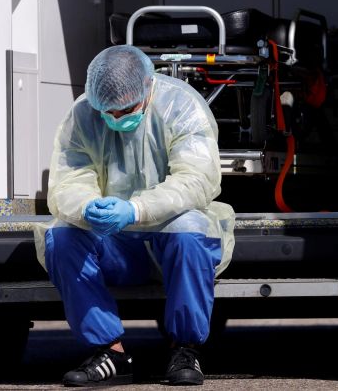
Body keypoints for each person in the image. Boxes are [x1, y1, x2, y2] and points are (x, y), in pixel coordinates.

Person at [32, 45, 235, 387]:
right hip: (116, 242)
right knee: (63, 236)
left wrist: (136, 209)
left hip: (167, 235)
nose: (114, 118)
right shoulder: (83, 114)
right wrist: (85, 206)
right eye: (106, 111)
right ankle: (109, 352)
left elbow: (196, 179)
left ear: (147, 86)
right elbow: (68, 178)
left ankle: (184, 349)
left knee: (189, 229)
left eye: (125, 109)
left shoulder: (180, 106)